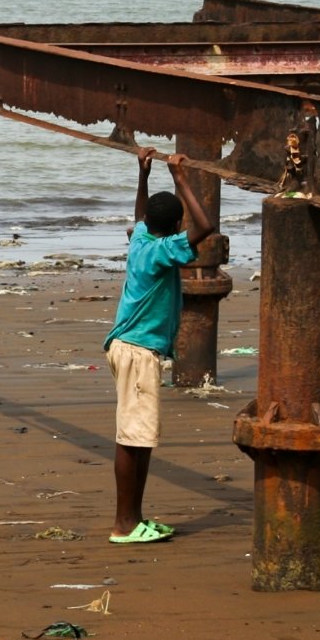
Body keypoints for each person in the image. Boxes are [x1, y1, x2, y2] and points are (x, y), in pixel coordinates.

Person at [105, 146, 214, 544]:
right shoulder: (160, 251)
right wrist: (181, 179)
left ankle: (136, 518)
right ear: (173, 227)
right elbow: (205, 226)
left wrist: (144, 174)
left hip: (129, 346)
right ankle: (124, 525)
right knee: (132, 438)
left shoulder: (140, 239)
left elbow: (139, 214)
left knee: (141, 439)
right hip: (137, 350)